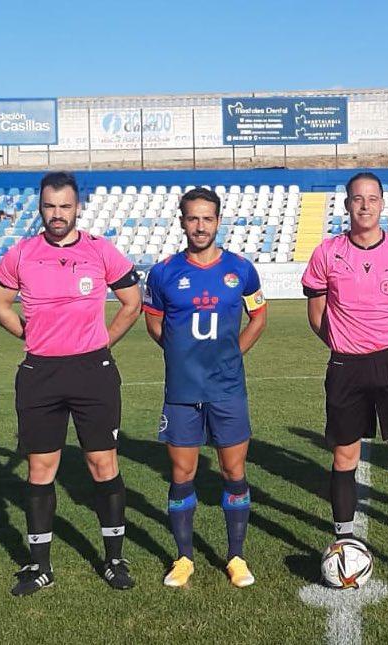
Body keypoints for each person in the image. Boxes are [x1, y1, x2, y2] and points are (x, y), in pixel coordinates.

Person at [0, 171, 142, 596]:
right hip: (40, 373)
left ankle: (114, 559)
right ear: (41, 208)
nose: (57, 214)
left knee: (103, 464)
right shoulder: (21, 253)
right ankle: (40, 566)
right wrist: (30, 334)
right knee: (41, 468)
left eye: (65, 206)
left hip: (93, 371)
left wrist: (102, 342)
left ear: (78, 208)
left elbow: (132, 302)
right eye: (50, 206)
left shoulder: (100, 249)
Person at [301, 172, 388, 582]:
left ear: (381, 204)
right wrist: (343, 345)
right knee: (345, 456)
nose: (364, 205)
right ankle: (344, 544)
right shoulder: (327, 252)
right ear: (347, 205)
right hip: (346, 367)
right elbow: (316, 314)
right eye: (357, 199)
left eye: (372, 198)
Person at [143, 187, 267, 589]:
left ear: (218, 221)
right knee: (182, 473)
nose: (200, 226)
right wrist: (180, 355)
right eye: (193, 218)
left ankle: (236, 556)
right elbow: (153, 321)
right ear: (182, 221)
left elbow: (259, 317)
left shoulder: (241, 269)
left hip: (227, 389)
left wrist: (232, 354)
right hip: (182, 391)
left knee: (234, 471)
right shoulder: (163, 272)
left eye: (207, 219)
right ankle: (183, 558)